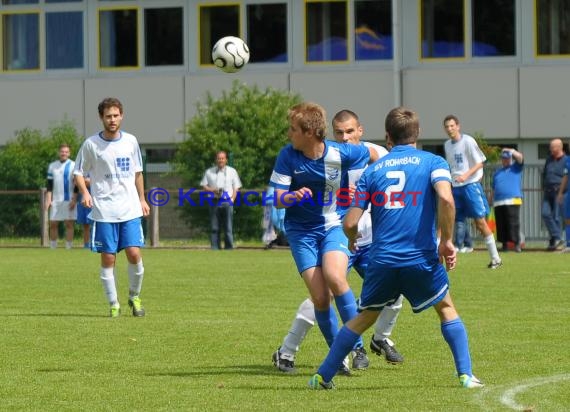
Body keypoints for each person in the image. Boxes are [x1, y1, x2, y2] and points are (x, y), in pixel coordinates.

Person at [308, 106, 483, 390]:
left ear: (388, 137)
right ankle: (465, 375)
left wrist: (351, 239)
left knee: (364, 318)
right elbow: (447, 200)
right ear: (418, 133)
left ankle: (322, 376)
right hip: (420, 258)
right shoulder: (434, 162)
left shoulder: (373, 170)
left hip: (382, 260)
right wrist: (447, 241)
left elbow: (351, 220)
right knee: (446, 308)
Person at [272, 109, 404, 374]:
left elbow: (386, 165)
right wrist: (294, 196)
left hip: (349, 232)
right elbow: (277, 198)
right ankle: (307, 351)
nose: (345, 138)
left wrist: (371, 186)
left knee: (386, 287)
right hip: (311, 231)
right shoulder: (290, 155)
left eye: (350, 132)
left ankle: (377, 339)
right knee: (321, 296)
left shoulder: (352, 152)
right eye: (340, 132)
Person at [73, 97, 150, 318]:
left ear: (122, 116)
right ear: (101, 118)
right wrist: (86, 193)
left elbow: (137, 173)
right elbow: (78, 172)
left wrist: (142, 199)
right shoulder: (91, 145)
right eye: (108, 116)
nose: (112, 119)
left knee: (134, 253)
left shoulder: (131, 142)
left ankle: (134, 297)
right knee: (109, 258)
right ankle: (113, 303)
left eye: (116, 115)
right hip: (104, 210)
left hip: (129, 209)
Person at [443, 115, 502, 269]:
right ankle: (448, 256)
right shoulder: (447, 145)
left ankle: (496, 258)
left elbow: (480, 162)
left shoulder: (468, 141)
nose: (450, 129)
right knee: (451, 220)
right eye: (447, 127)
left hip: (470, 185)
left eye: (452, 126)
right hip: (455, 188)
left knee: (480, 222)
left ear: (458, 126)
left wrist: (465, 175)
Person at [200, 151, 242, 250]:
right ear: (216, 160)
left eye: (222, 158)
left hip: (227, 201)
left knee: (228, 227)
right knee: (214, 227)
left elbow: (236, 187)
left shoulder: (232, 171)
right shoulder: (209, 172)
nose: (220, 160)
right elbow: (204, 186)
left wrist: (232, 199)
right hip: (214, 201)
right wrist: (213, 190)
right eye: (219, 158)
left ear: (226, 160)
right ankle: (215, 247)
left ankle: (229, 248)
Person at [491, 148, 524, 252]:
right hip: (498, 201)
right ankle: (504, 245)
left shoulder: (516, 168)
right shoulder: (497, 172)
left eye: (507, 158)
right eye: (504, 159)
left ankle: (516, 244)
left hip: (512, 200)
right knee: (501, 224)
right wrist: (490, 198)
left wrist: (511, 150)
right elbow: (494, 188)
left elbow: (520, 158)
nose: (505, 160)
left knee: (513, 223)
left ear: (510, 159)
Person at [45, 143, 77, 249]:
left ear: (69, 153)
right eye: (62, 151)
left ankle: (69, 247)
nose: (64, 153)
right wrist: (48, 199)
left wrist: (74, 199)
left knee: (69, 224)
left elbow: (77, 183)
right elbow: (49, 185)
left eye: (66, 152)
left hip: (69, 199)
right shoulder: (52, 166)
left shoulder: (73, 165)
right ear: (59, 152)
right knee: (53, 224)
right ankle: (53, 247)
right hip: (56, 200)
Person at [542, 138, 566, 251]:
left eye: (553, 147)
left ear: (559, 147)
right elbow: (544, 173)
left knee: (557, 217)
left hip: (559, 192)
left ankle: (556, 241)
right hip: (548, 191)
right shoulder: (549, 160)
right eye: (550, 147)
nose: (551, 149)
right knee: (545, 213)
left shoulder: (566, 160)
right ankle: (558, 237)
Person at [75, 174, 92, 249]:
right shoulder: (80, 169)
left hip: (95, 200)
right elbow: (76, 183)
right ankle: (86, 244)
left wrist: (82, 181)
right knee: (85, 224)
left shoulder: (95, 167)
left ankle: (96, 243)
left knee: (96, 224)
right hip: (82, 200)